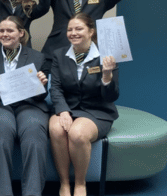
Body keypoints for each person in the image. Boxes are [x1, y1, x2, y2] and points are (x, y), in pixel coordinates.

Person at [0, 16, 50, 196]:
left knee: (33, 130)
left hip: (29, 106)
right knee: (1, 128)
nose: (4, 34)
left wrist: (42, 84)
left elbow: (42, 94)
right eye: (1, 31)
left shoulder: (37, 57)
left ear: (21, 33)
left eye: (10, 30)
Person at [48, 13, 119, 196]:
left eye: (79, 28)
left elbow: (111, 96)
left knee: (77, 134)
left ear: (91, 31)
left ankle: (80, 184)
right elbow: (55, 88)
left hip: (97, 111)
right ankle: (64, 183)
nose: (73, 33)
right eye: (70, 29)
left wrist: (107, 76)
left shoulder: (107, 56)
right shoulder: (59, 55)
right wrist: (63, 111)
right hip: (69, 108)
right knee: (56, 129)